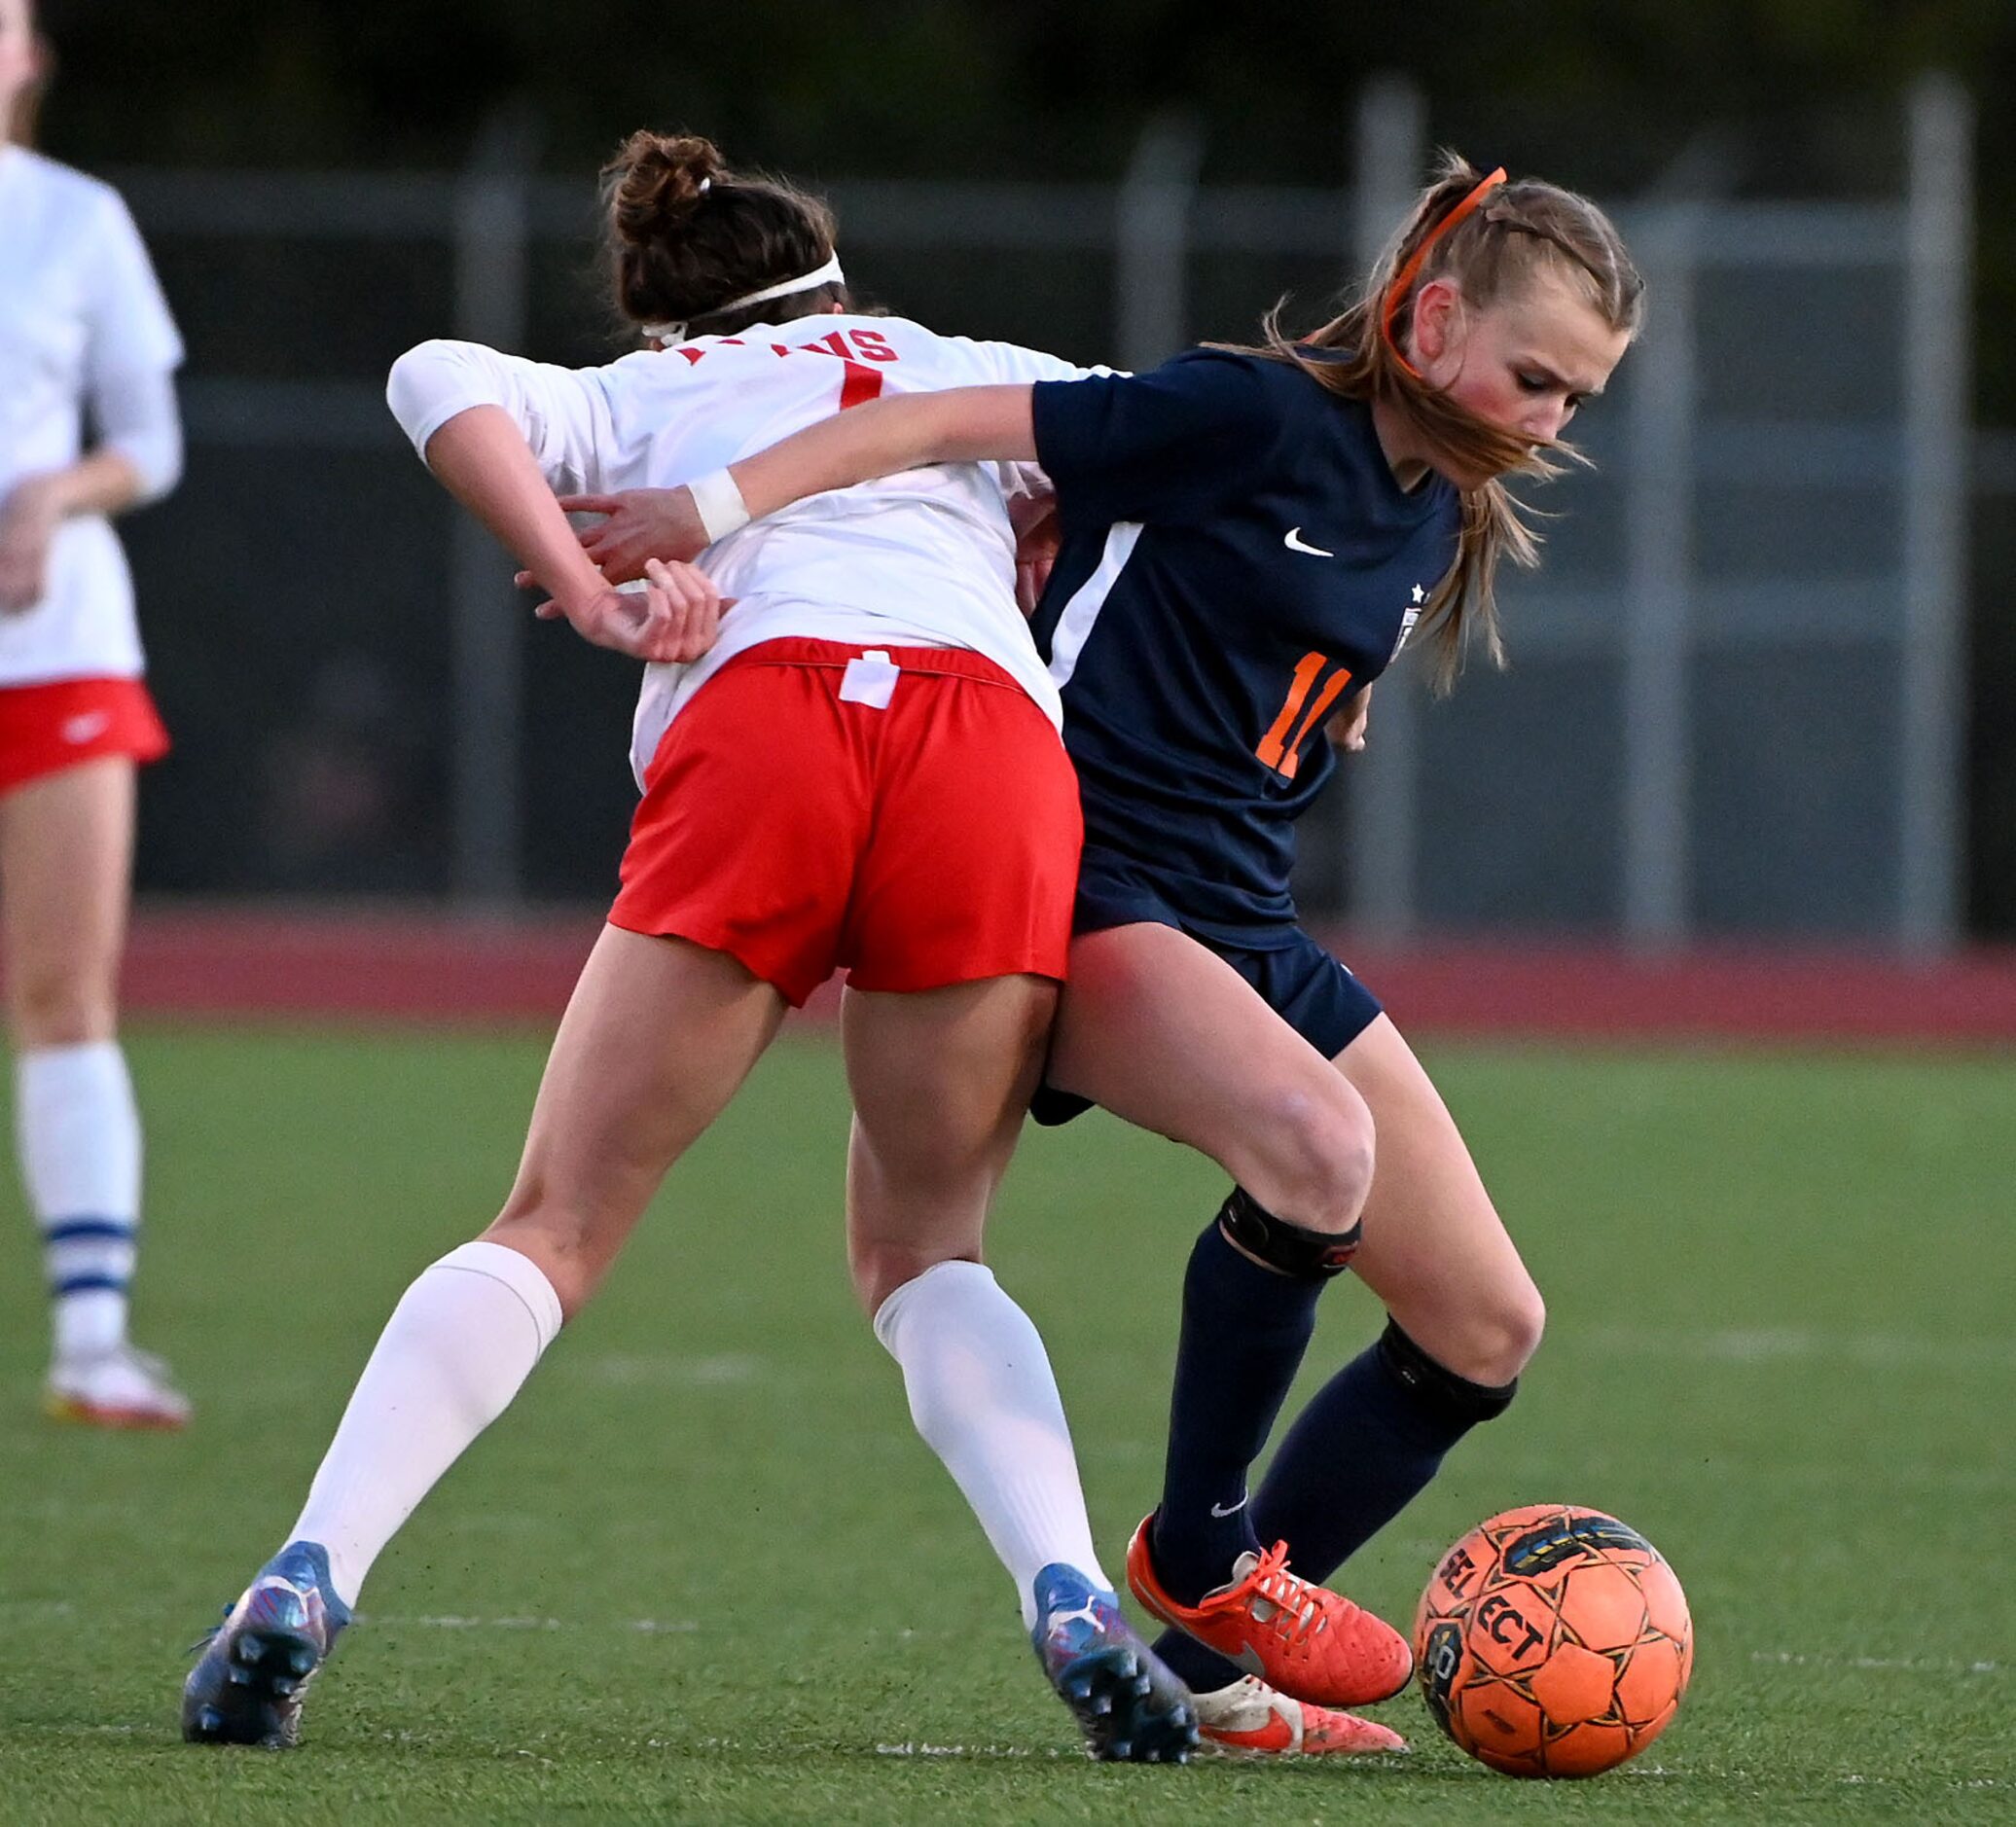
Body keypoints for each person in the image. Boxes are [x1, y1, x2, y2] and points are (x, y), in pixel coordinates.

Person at [560, 153, 1643, 1758]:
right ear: (1425, 322)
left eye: (1582, 395)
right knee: (1313, 1145)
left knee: (1486, 1324)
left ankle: (1201, 1674)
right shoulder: (1254, 415)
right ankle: (1205, 1555)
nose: (1554, 418)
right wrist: (707, 510)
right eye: (1538, 375)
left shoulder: (1437, 503)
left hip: (1242, 913)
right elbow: (935, 423)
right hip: (1079, 879)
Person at [180, 131, 1196, 1764]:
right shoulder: (974, 366)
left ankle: (308, 1574)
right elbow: (1192, 446)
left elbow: (431, 375)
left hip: (775, 712)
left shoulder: (657, 392)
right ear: (837, 279)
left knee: (558, 1222)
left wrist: (590, 589)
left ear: (669, 321)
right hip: (987, 747)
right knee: (932, 1249)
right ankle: (1069, 1585)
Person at [0, 0, 189, 1428]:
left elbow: (151, 441)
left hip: (54, 643)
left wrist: (53, 493)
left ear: (33, 57)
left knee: (66, 988)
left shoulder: (75, 217)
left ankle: (91, 1339)